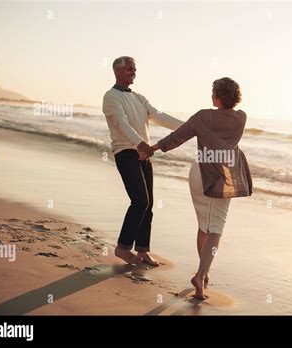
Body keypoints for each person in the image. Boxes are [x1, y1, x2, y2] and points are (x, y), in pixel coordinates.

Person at [152, 77, 253, 299]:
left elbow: (178, 136)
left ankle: (203, 273)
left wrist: (153, 148)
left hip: (199, 173)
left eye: (213, 92)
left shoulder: (202, 116)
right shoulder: (241, 118)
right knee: (216, 228)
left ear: (217, 96)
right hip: (221, 175)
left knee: (204, 226)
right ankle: (200, 275)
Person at [102, 56, 183, 266]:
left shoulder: (138, 97)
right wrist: (139, 144)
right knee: (140, 201)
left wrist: (188, 128)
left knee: (149, 204)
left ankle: (143, 250)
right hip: (127, 152)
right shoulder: (111, 96)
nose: (133, 72)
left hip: (143, 154)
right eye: (129, 69)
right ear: (117, 71)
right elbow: (121, 124)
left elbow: (159, 116)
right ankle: (122, 247)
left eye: (135, 69)